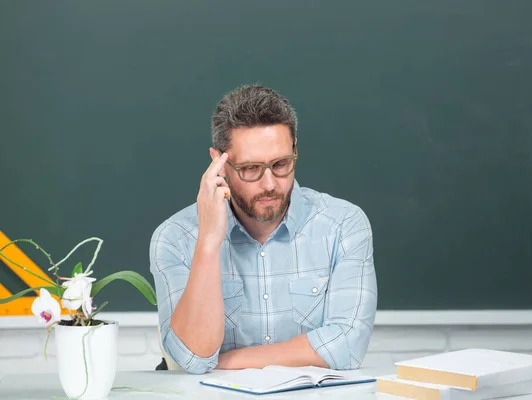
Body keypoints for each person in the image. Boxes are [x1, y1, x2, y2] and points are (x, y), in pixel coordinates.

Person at [149, 84, 377, 374]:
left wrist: (228, 362)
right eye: (251, 168)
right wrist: (208, 241)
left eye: (281, 164)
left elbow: (347, 346)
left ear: (295, 150)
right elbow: (193, 357)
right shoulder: (174, 238)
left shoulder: (343, 225)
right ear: (218, 163)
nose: (269, 184)